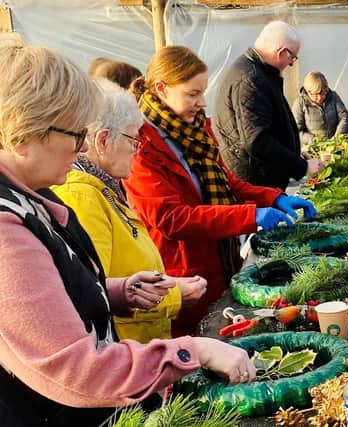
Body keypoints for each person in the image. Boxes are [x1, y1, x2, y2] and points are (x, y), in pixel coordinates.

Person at [0, 43, 255, 426]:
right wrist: (193, 352)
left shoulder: (35, 197)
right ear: (23, 133)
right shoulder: (6, 227)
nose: (83, 146)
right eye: (73, 132)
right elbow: (74, 369)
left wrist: (116, 291)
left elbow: (52, 295)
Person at [126, 46, 317, 337]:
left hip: (218, 262)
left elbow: (227, 184)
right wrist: (250, 216)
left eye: (203, 93)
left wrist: (272, 197)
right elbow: (171, 218)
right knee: (198, 349)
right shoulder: (141, 147)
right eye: (192, 94)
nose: (202, 102)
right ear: (162, 89)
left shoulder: (195, 131)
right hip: (183, 274)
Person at [53, 79, 207, 343]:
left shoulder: (104, 187)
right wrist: (173, 294)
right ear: (102, 140)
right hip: (126, 350)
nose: (137, 151)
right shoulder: (81, 196)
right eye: (133, 140)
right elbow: (94, 291)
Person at [214, 20, 324, 191]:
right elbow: (257, 141)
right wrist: (302, 167)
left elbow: (269, 124)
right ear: (281, 52)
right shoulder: (251, 80)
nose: (292, 64)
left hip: (260, 177)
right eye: (292, 57)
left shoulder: (258, 72)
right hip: (255, 181)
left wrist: (293, 154)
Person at [292, 71, 348, 147]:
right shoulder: (300, 103)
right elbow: (296, 131)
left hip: (335, 146)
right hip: (312, 149)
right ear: (308, 91)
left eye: (323, 93)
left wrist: (337, 139)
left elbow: (345, 118)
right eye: (316, 94)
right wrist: (314, 140)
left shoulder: (333, 97)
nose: (320, 97)